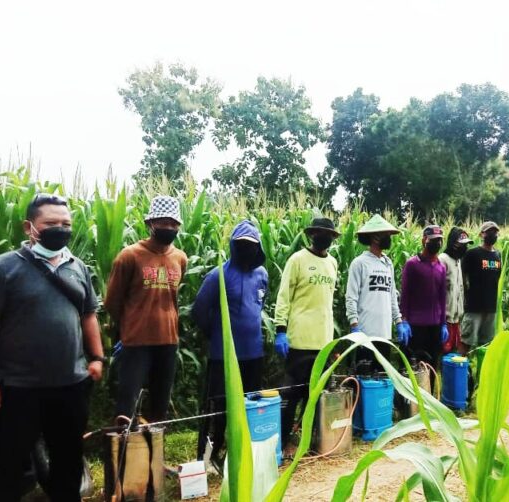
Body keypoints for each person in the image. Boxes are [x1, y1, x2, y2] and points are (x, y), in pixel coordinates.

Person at [0, 193, 103, 502]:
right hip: (18, 388)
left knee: (68, 460)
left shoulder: (78, 267)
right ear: (29, 227)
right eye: (51, 223)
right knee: (9, 465)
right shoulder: (2, 269)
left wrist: (96, 357)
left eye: (66, 223)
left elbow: (89, 316)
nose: (60, 228)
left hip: (70, 385)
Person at [104, 195, 188, 423]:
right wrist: (129, 326)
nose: (169, 228)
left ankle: (153, 457)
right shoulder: (130, 256)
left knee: (160, 406)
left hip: (169, 341)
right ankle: (122, 454)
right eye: (163, 223)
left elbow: (173, 297)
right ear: (150, 224)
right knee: (127, 405)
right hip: (136, 342)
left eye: (173, 224)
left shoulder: (180, 258)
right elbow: (112, 301)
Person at [192, 220, 268, 467]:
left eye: (251, 245)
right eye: (242, 244)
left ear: (258, 248)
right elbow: (199, 310)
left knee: (249, 405)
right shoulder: (219, 275)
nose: (247, 249)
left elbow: (259, 306)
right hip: (224, 356)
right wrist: (215, 335)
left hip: (254, 354)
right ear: (234, 246)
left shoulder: (262, 275)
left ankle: (239, 453)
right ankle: (209, 456)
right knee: (219, 408)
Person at [274, 217, 339, 452]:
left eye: (329, 235)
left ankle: (311, 439)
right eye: (320, 233)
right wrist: (281, 329)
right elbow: (284, 296)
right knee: (292, 395)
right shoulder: (298, 260)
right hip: (299, 339)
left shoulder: (332, 263)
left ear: (332, 238)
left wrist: (332, 341)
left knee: (317, 394)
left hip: (323, 341)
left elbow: (328, 303)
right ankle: (284, 440)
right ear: (312, 235)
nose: (324, 238)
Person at [346, 215, 410, 373]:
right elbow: (351, 297)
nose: (389, 238)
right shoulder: (360, 263)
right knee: (364, 378)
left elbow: (392, 296)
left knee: (382, 378)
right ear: (374, 237)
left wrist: (399, 321)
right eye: (385, 234)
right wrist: (354, 325)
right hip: (365, 333)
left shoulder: (387, 263)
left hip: (385, 333)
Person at [400, 225, 448, 368]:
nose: (437, 243)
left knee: (432, 365)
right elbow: (405, 294)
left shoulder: (441, 267)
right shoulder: (412, 264)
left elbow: (442, 297)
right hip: (416, 325)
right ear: (424, 241)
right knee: (415, 366)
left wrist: (443, 323)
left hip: (435, 326)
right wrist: (403, 320)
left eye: (440, 240)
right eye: (433, 240)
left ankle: (429, 391)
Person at [460, 222, 502, 354]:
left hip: (491, 308)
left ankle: (481, 372)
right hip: (474, 306)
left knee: (486, 345)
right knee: (466, 341)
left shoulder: (498, 255)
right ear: (481, 234)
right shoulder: (472, 254)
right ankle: (462, 369)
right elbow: (462, 276)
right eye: (489, 232)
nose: (493, 235)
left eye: (495, 232)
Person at [438, 227, 473, 352]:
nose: (465, 247)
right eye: (462, 244)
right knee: (443, 352)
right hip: (445, 319)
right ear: (454, 244)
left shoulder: (458, 261)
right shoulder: (443, 259)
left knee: (452, 352)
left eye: (466, 245)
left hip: (456, 319)